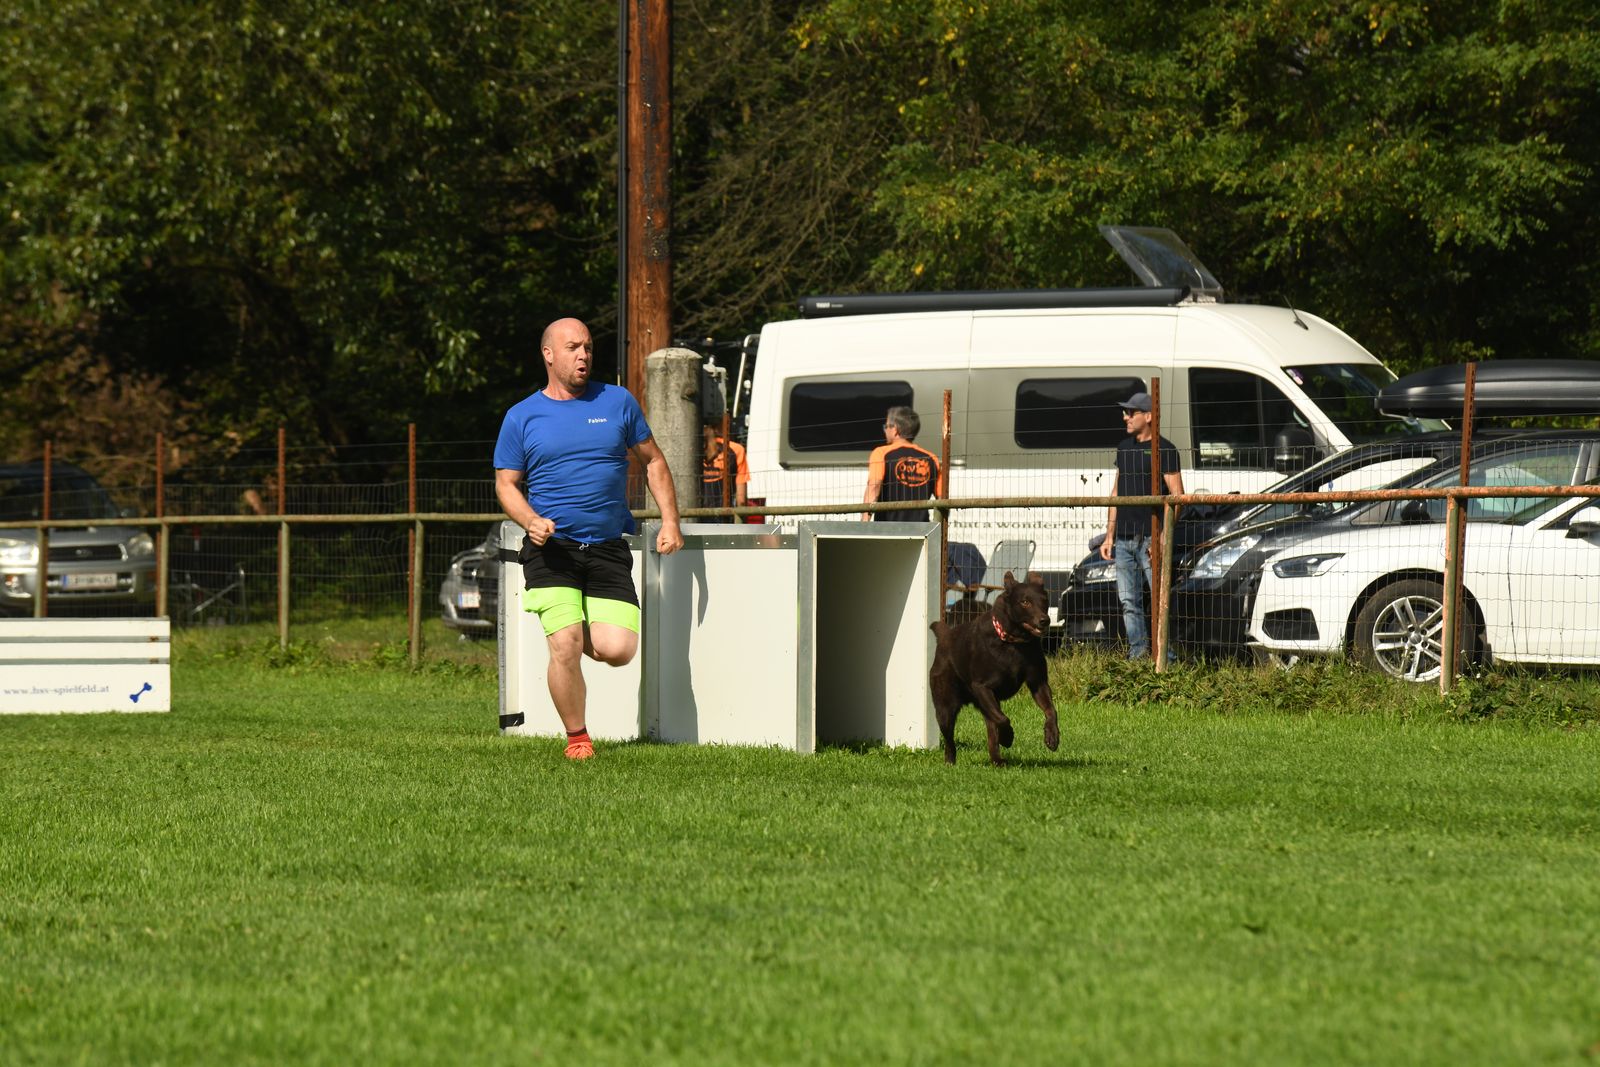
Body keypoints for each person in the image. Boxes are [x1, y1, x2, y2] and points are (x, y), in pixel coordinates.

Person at [494, 317, 684, 760]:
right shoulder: (521, 416)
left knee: (618, 650)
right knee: (566, 646)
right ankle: (578, 738)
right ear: (548, 355)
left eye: (589, 348)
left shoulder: (617, 401)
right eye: (573, 348)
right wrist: (530, 520)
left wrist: (671, 521)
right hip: (551, 550)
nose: (584, 356)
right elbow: (506, 484)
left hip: (607, 547)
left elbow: (653, 461)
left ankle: (572, 625)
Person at [1100, 391, 1184, 661]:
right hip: (1123, 538)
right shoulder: (1124, 448)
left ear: (1148, 416)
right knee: (1128, 601)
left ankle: (1165, 658)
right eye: (1125, 412)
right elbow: (1116, 492)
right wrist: (1109, 536)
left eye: (1131, 412)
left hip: (1150, 538)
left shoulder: (1165, 450)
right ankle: (1137, 655)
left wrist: (1163, 536)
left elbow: (1177, 496)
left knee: (1160, 600)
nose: (1125, 417)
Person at [862, 406, 940, 522]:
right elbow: (942, 498)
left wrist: (864, 522)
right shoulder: (931, 458)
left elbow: (874, 487)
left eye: (886, 426)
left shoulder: (881, 453)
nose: (885, 430)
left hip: (887, 529)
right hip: (922, 529)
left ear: (895, 429)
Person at [699, 421, 749, 522]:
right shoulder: (736, 449)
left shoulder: (693, 448)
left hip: (695, 516)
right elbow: (741, 500)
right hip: (724, 517)